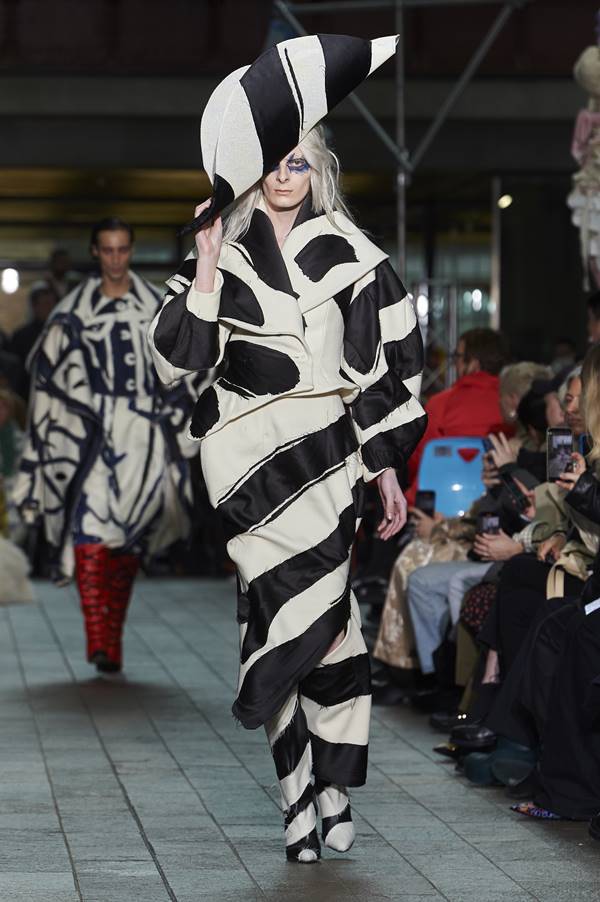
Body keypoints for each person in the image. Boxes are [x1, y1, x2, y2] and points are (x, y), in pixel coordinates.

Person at [148, 33, 427, 863]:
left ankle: (331, 786)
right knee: (274, 632)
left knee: (331, 632)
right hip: (250, 473)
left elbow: (391, 368)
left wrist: (384, 467)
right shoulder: (224, 255)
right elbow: (177, 360)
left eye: (299, 161)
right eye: (274, 158)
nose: (284, 173)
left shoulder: (360, 258)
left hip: (329, 465)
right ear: (255, 165)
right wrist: (201, 270)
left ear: (318, 170)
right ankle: (293, 797)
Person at [14, 217, 201, 673]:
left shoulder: (157, 307)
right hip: (89, 436)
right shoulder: (72, 313)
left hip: (144, 437)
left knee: (127, 540)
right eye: (108, 250)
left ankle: (110, 633)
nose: (116, 258)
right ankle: (98, 636)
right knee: (89, 529)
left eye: (123, 250)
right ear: (96, 253)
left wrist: (177, 419)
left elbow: (184, 367)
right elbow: (48, 379)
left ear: (130, 251)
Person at [8, 283, 59, 400]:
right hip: (27, 394)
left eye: (52, 304)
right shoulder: (21, 336)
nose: (49, 309)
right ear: (35, 307)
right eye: (45, 305)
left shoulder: (63, 334)